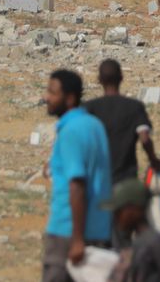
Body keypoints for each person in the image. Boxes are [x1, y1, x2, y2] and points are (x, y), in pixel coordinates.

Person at [43, 69, 113, 280]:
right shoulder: (95, 125)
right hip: (100, 231)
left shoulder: (71, 131)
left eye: (53, 93)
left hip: (68, 232)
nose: (47, 97)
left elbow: (77, 185)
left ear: (70, 98)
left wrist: (77, 239)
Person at [84, 59, 160, 183]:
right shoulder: (134, 106)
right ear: (121, 77)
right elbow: (145, 139)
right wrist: (154, 160)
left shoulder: (89, 108)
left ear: (99, 80)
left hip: (98, 183)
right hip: (126, 182)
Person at [103, 179, 160, 282]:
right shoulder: (138, 242)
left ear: (133, 210)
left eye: (118, 212)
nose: (116, 217)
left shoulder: (154, 242)